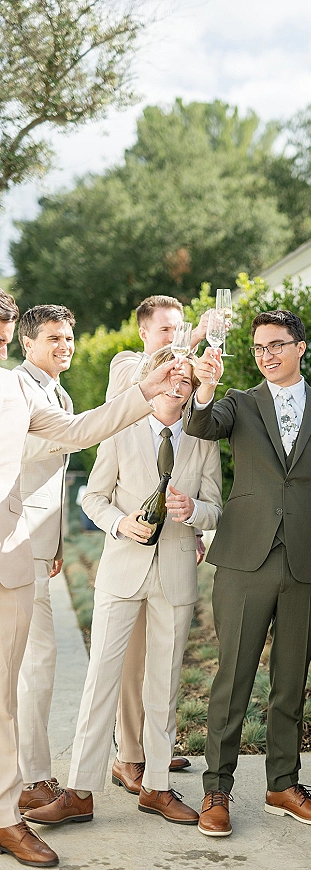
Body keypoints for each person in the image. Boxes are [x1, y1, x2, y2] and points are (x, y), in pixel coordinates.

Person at [0, 289, 183, 868]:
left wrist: (147, 391)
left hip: (12, 554)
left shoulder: (17, 391)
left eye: (1, 325)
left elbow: (80, 430)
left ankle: (11, 808)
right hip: (21, 551)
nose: (0, 336)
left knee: (11, 685)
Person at [184, 310, 311, 836]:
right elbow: (200, 424)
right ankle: (216, 788)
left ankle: (283, 784)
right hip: (244, 558)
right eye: (259, 347)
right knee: (232, 677)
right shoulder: (238, 403)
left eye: (277, 345)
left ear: (302, 347)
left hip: (308, 560)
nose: (266, 355)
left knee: (291, 681)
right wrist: (205, 386)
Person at [24, 351, 222, 827]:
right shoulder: (120, 429)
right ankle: (80, 790)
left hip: (175, 575)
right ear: (153, 379)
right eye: (170, 375)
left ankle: (156, 786)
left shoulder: (202, 439)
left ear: (194, 384)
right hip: (121, 572)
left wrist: (193, 510)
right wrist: (119, 524)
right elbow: (90, 497)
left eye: (186, 377)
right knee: (100, 684)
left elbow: (217, 506)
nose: (178, 384)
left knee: (165, 685)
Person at [106, 295, 209, 780]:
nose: (175, 340)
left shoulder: (181, 393)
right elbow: (144, 381)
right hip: (130, 552)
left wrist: (194, 523)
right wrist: (193, 338)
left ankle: (155, 752)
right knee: (132, 660)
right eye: (166, 331)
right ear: (145, 333)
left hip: (174, 547)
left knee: (164, 663)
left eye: (179, 329)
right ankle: (129, 755)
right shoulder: (126, 365)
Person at [15, 306, 78, 815]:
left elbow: (50, 480)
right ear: (26, 343)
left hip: (37, 547)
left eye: (69, 336)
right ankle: (31, 778)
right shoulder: (18, 390)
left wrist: (55, 544)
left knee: (29, 662)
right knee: (35, 662)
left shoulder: (59, 392)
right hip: (12, 544)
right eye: (54, 337)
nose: (66, 344)